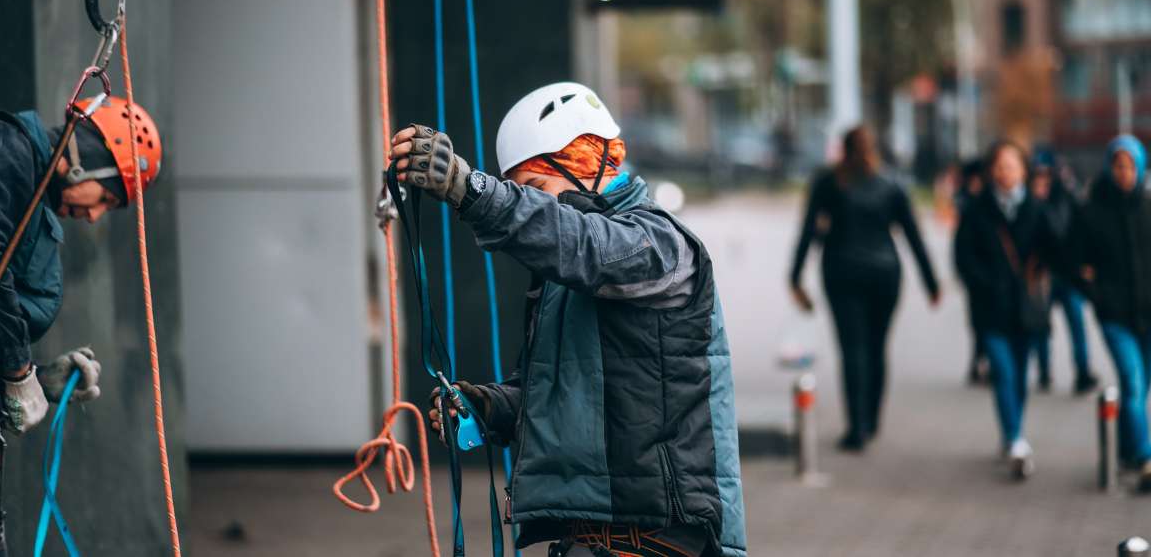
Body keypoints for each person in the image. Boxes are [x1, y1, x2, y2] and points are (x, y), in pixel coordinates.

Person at [391, 82, 747, 557]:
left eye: (537, 189)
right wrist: (489, 407)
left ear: (587, 161)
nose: (536, 205)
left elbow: (587, 246)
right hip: (591, 536)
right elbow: (559, 394)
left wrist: (468, 189)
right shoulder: (560, 275)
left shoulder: (659, 243)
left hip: (659, 538)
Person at [0, 98, 162, 555]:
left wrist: (40, 378)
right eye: (106, 198)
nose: (94, 216)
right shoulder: (0, 146)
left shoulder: (24, 184)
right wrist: (17, 371)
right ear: (85, 161)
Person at [788, 125, 940, 452]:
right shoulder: (892, 185)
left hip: (841, 273)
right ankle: (871, 420)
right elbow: (913, 237)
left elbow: (807, 232)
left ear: (843, 149)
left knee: (852, 348)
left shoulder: (828, 183)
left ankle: (856, 427)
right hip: (885, 274)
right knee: (876, 346)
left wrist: (795, 277)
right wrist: (932, 283)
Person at [954, 140, 1060, 480]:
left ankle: (1011, 431)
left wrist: (1043, 267)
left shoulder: (1037, 208)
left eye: (1012, 166)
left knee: (1019, 374)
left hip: (1026, 308)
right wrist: (983, 282)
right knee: (1002, 371)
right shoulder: (977, 209)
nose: (1005, 172)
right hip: (990, 307)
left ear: (1024, 171)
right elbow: (962, 256)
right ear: (990, 171)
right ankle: (1016, 439)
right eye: (999, 166)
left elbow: (1055, 247)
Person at [1071, 135, 1151, 491]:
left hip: (1149, 315)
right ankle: (1146, 457)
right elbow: (1073, 261)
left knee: (1140, 389)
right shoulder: (1091, 211)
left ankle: (1125, 451)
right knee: (1131, 381)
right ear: (1108, 167)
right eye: (1118, 165)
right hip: (1115, 316)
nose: (1125, 173)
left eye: (1131, 165)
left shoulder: (1148, 207)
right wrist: (1097, 296)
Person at [1029, 148, 1097, 394]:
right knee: (1041, 326)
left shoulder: (1066, 198)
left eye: (1046, 175)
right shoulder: (1030, 202)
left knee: (1077, 325)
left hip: (1068, 274)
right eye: (1038, 175)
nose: (1042, 180)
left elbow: (1070, 230)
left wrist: (1085, 264)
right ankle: (1044, 371)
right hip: (1042, 274)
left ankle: (1082, 372)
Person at [955, 158, 992, 386]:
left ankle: (984, 361)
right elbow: (962, 247)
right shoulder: (968, 204)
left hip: (994, 274)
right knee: (978, 320)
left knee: (988, 322)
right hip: (976, 275)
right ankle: (978, 361)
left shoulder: (989, 203)